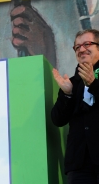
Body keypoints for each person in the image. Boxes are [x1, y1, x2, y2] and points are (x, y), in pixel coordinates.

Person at [51, 29, 99, 183]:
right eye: (77, 47)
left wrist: (93, 84)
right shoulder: (71, 83)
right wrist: (67, 94)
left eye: (87, 44)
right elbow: (57, 119)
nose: (81, 50)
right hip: (79, 165)